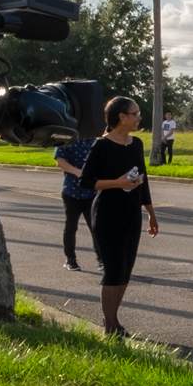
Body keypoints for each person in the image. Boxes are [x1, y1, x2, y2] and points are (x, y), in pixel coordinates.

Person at [77, 96, 158, 337]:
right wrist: (118, 183)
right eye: (135, 114)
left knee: (125, 270)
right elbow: (86, 181)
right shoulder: (102, 146)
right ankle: (110, 324)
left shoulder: (136, 144)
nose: (139, 118)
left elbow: (143, 181)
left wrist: (151, 214)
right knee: (113, 270)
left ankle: (115, 321)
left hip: (131, 214)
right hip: (107, 215)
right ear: (121, 117)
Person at [53, 131, 98, 272]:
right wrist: (77, 172)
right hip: (71, 191)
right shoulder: (66, 137)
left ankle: (102, 259)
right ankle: (70, 259)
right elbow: (60, 160)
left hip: (91, 192)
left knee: (96, 227)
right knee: (71, 227)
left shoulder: (93, 139)